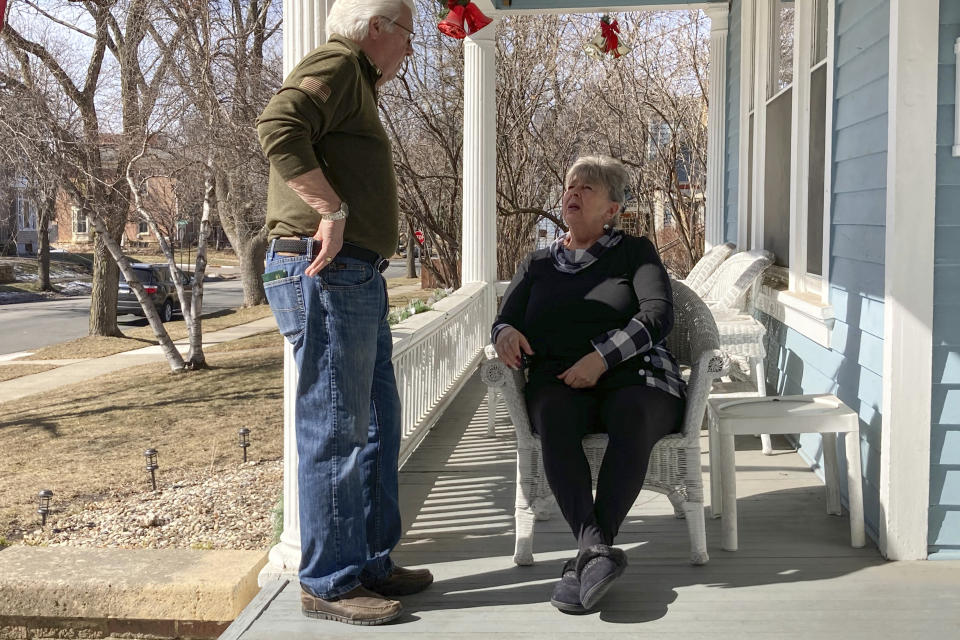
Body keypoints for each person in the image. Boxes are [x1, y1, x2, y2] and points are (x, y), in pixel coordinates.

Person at [256, 0, 431, 626]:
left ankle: (369, 560)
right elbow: (278, 125)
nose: (411, 48)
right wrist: (330, 211)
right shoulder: (337, 60)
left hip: (356, 276)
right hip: (328, 273)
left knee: (378, 420)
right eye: (408, 34)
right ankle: (330, 580)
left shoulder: (357, 79)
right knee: (336, 428)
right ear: (376, 28)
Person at [492, 155, 686, 613]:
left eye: (587, 188)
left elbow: (658, 315)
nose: (572, 194)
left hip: (635, 376)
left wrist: (601, 358)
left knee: (632, 413)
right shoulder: (537, 263)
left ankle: (587, 556)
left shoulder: (634, 251)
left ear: (612, 209)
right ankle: (595, 552)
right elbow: (503, 319)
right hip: (559, 380)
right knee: (553, 415)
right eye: (569, 186)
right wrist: (505, 334)